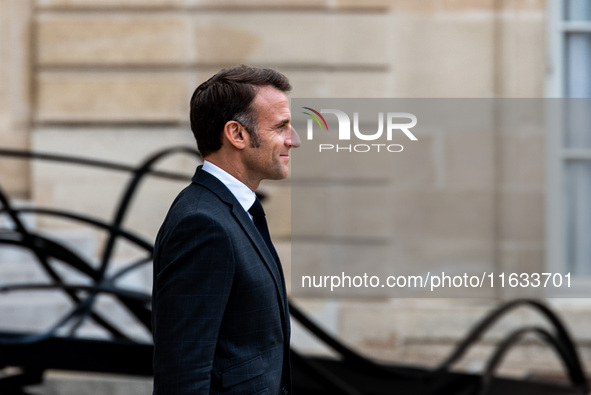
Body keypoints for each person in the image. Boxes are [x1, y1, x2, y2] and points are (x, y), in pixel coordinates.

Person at [152, 65, 300, 395]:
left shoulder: (232, 210)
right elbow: (182, 374)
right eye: (281, 127)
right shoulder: (202, 224)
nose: (294, 140)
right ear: (237, 134)